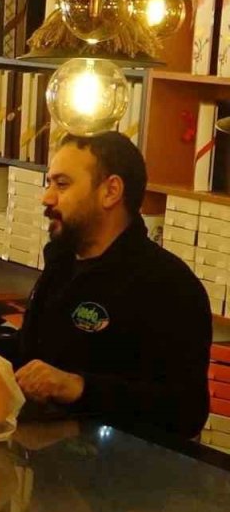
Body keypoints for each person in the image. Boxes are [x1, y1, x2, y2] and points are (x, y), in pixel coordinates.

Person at [17, 131, 210, 440]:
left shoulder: (168, 285)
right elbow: (29, 359)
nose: (47, 198)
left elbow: (186, 412)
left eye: (62, 184)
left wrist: (80, 387)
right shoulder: (62, 266)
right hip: (50, 471)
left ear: (111, 192)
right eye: (48, 183)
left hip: (126, 479)